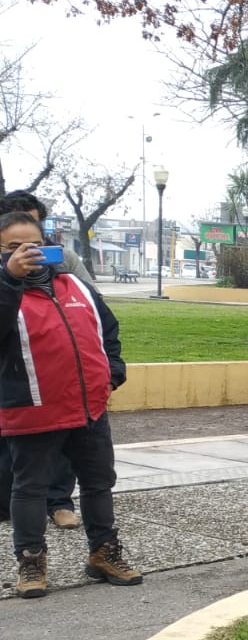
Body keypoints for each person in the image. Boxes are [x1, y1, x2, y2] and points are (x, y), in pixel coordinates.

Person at [0, 211, 142, 598]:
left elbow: (107, 330)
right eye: (14, 246)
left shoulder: (75, 285)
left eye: (34, 244)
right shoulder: (4, 287)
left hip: (88, 408)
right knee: (29, 488)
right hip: (32, 408)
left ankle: (103, 553)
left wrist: (111, 374)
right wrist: (10, 278)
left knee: (98, 483)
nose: (27, 252)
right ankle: (31, 562)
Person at [0, 191, 90, 529]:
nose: (28, 247)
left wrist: (110, 372)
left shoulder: (61, 259)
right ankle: (13, 505)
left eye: (35, 226)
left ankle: (59, 501)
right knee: (15, 453)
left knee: (64, 444)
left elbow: (93, 306)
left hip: (57, 378)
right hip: (12, 377)